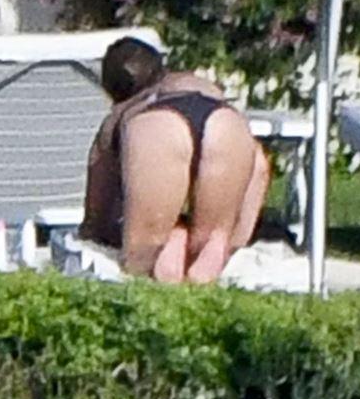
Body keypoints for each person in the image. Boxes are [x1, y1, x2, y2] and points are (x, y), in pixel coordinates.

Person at [80, 37, 269, 283]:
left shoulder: (123, 111)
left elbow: (99, 191)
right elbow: (259, 168)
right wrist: (236, 238)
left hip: (159, 123)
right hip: (225, 121)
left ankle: (174, 240)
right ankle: (203, 255)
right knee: (211, 242)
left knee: (144, 255)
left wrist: (92, 232)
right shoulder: (199, 85)